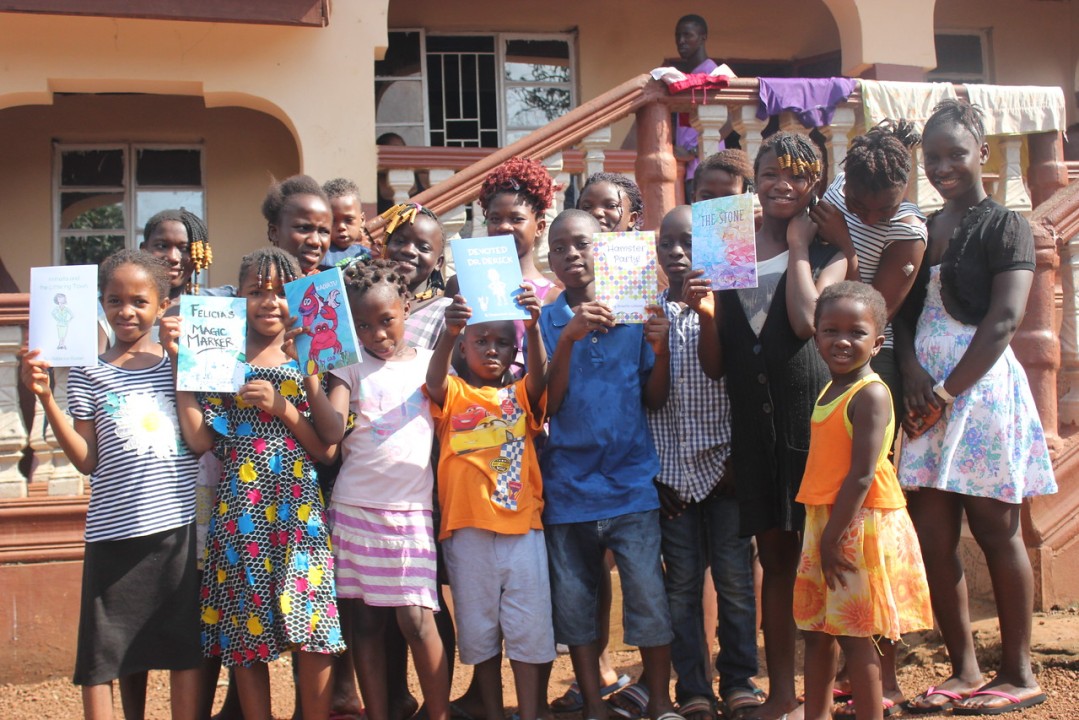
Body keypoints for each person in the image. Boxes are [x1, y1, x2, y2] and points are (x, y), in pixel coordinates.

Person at [895, 100, 1057, 716]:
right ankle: (963, 669)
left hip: (978, 395)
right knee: (936, 537)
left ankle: (1018, 672)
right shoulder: (924, 227)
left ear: (982, 153)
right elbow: (902, 316)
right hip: (922, 402)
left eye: (954, 154)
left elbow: (1005, 320)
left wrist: (943, 392)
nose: (941, 167)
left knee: (996, 529)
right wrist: (912, 374)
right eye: (931, 158)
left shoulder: (1004, 224)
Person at [702, 132, 847, 720]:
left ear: (816, 182)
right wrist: (703, 304)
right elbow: (717, 359)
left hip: (811, 428)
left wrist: (798, 246)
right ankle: (782, 695)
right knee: (777, 565)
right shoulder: (726, 239)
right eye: (770, 173)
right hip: (754, 435)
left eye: (799, 175)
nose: (783, 183)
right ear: (752, 179)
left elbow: (807, 319)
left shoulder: (831, 248)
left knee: (819, 565)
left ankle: (817, 702)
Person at [21, 249, 201, 720]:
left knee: (183, 648)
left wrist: (185, 364)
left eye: (139, 301)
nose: (126, 311)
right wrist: (46, 398)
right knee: (103, 655)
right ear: (99, 303)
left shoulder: (181, 364)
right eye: (114, 300)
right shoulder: (86, 371)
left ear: (163, 305)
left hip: (174, 531)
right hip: (111, 533)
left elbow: (200, 439)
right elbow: (86, 460)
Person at [168, 247, 345, 720]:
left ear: (295, 295)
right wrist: (183, 365)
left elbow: (328, 446)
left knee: (312, 624)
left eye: (278, 292)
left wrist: (284, 403)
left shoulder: (313, 347)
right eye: (254, 292)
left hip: (299, 507)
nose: (268, 302)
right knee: (247, 630)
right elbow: (201, 438)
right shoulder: (221, 350)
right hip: (242, 509)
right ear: (239, 297)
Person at [539, 209, 680, 720]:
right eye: (559, 247)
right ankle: (595, 705)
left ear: (603, 249)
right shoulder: (545, 322)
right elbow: (548, 406)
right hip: (567, 488)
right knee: (575, 606)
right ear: (549, 257)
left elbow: (654, 399)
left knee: (647, 598)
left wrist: (660, 351)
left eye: (582, 243)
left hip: (631, 486)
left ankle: (660, 700)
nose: (571, 254)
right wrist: (569, 338)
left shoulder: (636, 311)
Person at [807, 120, 927, 717]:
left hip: (865, 372)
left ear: (901, 197)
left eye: (883, 207)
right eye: (860, 204)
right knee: (828, 616)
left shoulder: (907, 232)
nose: (871, 214)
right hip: (830, 363)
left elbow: (871, 312)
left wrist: (849, 246)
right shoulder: (835, 196)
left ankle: (883, 687)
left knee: (863, 597)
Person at [315, 258, 450, 720]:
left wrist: (455, 332)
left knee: (416, 619)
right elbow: (332, 431)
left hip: (411, 514)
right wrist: (315, 377)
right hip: (354, 511)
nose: (377, 334)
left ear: (406, 308)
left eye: (386, 321)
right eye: (364, 325)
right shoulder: (347, 368)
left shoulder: (432, 365)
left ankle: (438, 713)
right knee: (367, 624)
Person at [794, 281, 933, 720]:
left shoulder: (870, 393)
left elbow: (861, 475)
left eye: (855, 332)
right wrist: (825, 532)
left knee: (857, 636)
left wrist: (833, 538)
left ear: (878, 343)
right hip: (827, 521)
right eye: (830, 330)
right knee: (817, 632)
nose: (841, 341)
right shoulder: (829, 389)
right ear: (815, 336)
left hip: (857, 525)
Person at [648, 206, 760, 720]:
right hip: (671, 473)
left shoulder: (732, 306)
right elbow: (646, 401)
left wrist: (739, 457)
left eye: (688, 242)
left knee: (736, 581)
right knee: (683, 585)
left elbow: (727, 375)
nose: (677, 252)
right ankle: (692, 687)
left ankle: (739, 679)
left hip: (725, 468)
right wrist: (654, 473)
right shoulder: (647, 313)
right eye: (667, 242)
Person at [425, 288, 552, 720]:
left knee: (528, 631)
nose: (491, 349)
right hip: (466, 533)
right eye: (480, 341)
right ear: (463, 348)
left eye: (502, 342)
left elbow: (541, 381)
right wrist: (449, 332)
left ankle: (531, 713)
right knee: (479, 634)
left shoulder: (520, 395)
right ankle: (493, 712)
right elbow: (435, 381)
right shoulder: (454, 394)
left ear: (515, 350)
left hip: (523, 531)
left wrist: (533, 330)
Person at [262, 175, 333, 277]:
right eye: (304, 228)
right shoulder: (257, 286)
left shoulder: (330, 287)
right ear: (274, 232)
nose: (315, 241)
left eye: (324, 231)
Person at [321, 178, 373, 270]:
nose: (341, 227)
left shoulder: (368, 255)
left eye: (348, 220)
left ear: (362, 220)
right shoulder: (319, 256)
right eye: (333, 221)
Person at [577, 172, 643, 233]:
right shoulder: (570, 245)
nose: (597, 212)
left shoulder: (647, 245)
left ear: (632, 219)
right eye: (586, 207)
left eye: (611, 206)